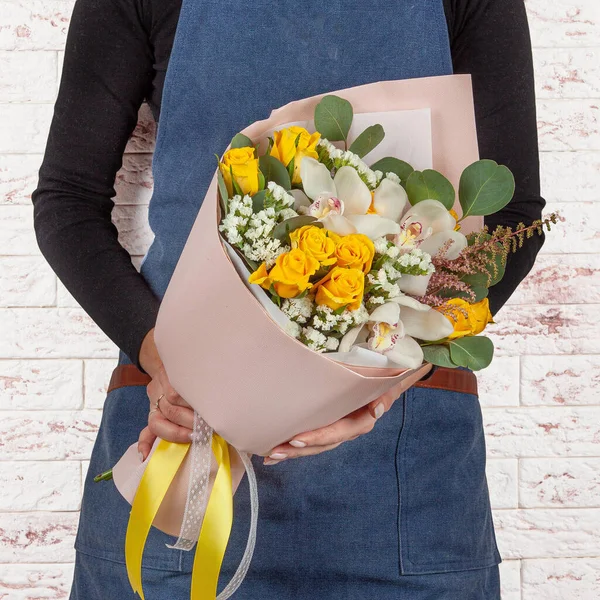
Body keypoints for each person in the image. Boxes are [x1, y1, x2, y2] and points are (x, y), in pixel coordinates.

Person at [32, 0, 545, 598]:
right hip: (183, 429)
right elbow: (68, 202)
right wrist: (169, 362)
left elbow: (510, 216)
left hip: (403, 467)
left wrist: (378, 388)